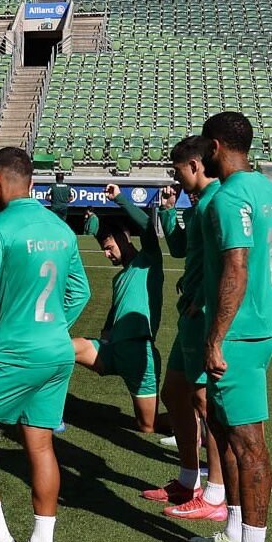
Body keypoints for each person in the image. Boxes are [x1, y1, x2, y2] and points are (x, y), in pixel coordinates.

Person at [0, 147, 89, 542]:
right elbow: (79, 292)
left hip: (13, 350)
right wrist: (50, 328)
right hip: (56, 350)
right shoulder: (61, 230)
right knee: (41, 441)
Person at [190, 111, 272, 542]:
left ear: (214, 147)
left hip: (238, 335)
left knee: (247, 442)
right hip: (261, 326)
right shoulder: (271, 192)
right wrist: (266, 306)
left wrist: (217, 336)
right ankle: (234, 533)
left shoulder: (229, 197)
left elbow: (236, 266)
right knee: (222, 426)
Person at [145, 136, 226, 520]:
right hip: (188, 314)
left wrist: (206, 299)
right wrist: (167, 210)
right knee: (175, 391)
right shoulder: (198, 205)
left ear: (194, 165)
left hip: (201, 317)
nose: (175, 180)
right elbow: (183, 251)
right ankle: (188, 477)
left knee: (203, 400)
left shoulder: (216, 203)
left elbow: (233, 261)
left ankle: (217, 492)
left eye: (177, 171)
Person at [70, 183, 165, 433]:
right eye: (104, 250)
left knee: (147, 426)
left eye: (109, 248)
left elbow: (146, 226)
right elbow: (116, 308)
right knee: (64, 348)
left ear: (125, 239)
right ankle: (45, 409)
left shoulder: (148, 262)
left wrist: (120, 199)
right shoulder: (119, 278)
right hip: (112, 350)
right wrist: (106, 329)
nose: (107, 255)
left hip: (138, 354)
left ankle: (196, 424)